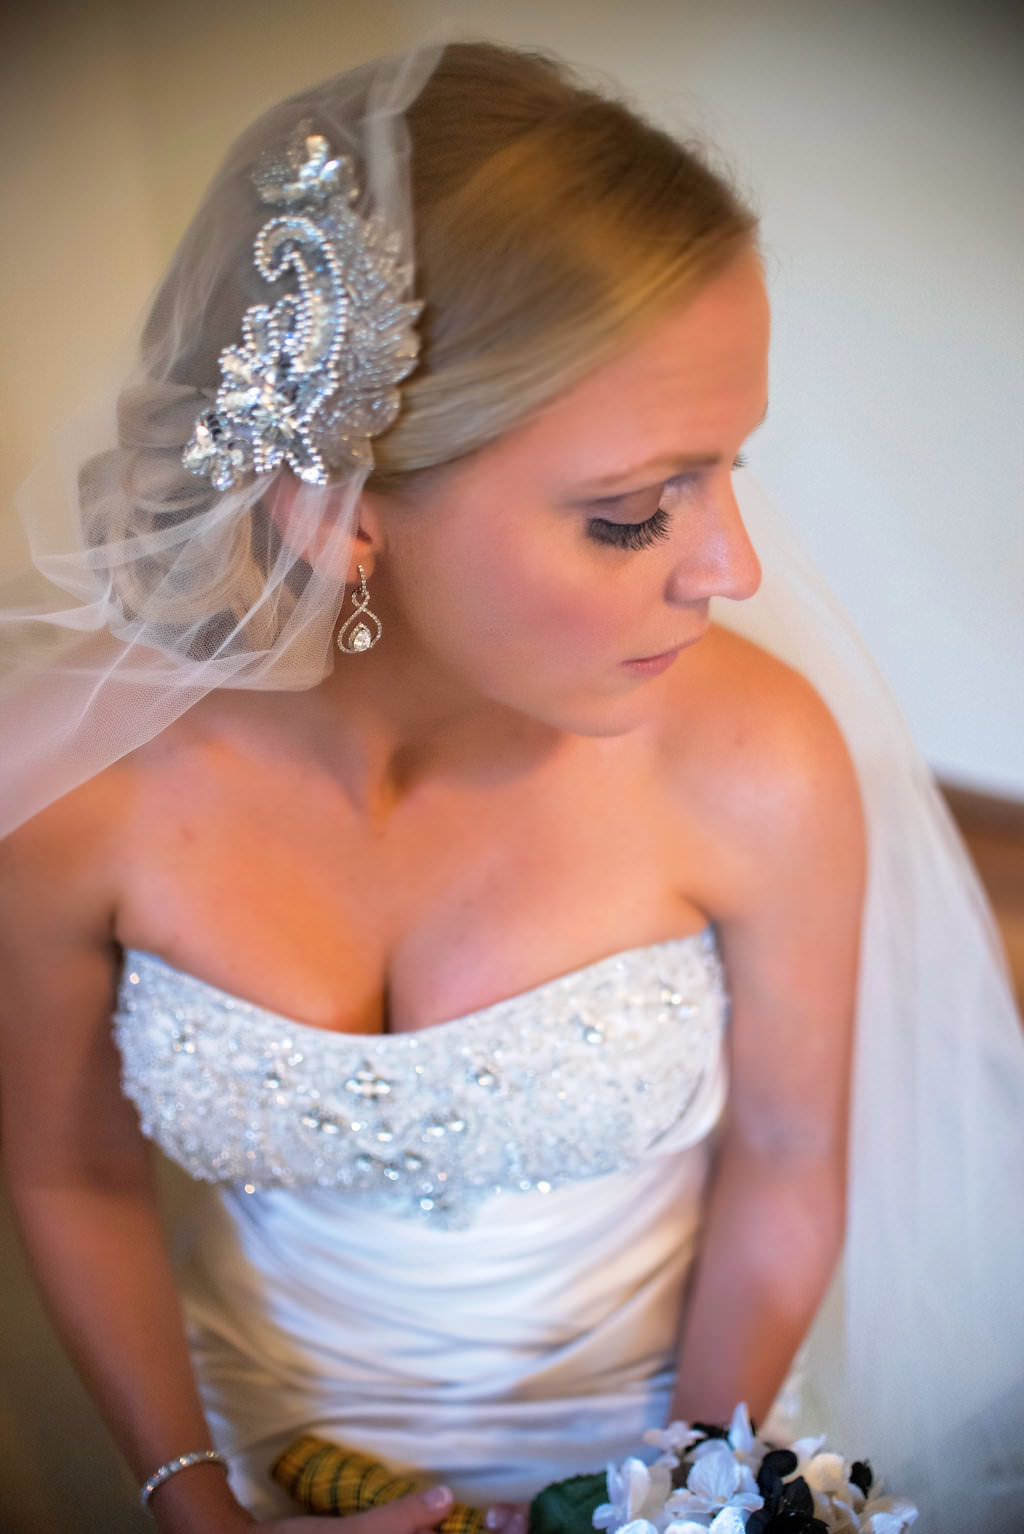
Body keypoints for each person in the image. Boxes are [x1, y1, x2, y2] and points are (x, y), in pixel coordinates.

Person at [0, 39, 1021, 1534]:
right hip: (249, 1463)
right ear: (340, 512)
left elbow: (790, 1159)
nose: (733, 567)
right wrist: (194, 1500)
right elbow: (70, 1170)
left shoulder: (757, 762)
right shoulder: (75, 792)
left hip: (673, 1446)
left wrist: (685, 1496)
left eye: (730, 468)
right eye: (634, 510)